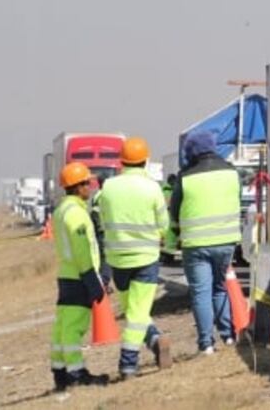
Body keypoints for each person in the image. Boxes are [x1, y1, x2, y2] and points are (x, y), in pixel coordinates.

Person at [97, 137, 172, 378]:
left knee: (133, 311)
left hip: (118, 259)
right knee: (138, 313)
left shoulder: (108, 187)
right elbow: (164, 224)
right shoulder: (152, 188)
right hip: (146, 258)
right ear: (145, 161)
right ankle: (128, 362)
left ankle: (154, 341)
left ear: (122, 162)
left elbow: (102, 219)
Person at [170, 131, 242, 354]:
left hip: (196, 244)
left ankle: (206, 344)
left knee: (201, 292)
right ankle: (228, 335)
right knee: (220, 288)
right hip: (226, 241)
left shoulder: (186, 176)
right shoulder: (231, 172)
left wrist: (177, 232)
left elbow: (174, 211)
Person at [49, 162, 109, 391]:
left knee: (62, 326)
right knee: (74, 327)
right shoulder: (75, 213)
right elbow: (81, 248)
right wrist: (91, 278)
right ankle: (77, 373)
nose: (91, 186)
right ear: (77, 186)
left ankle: (59, 371)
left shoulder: (61, 209)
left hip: (66, 274)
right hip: (78, 275)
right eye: (87, 183)